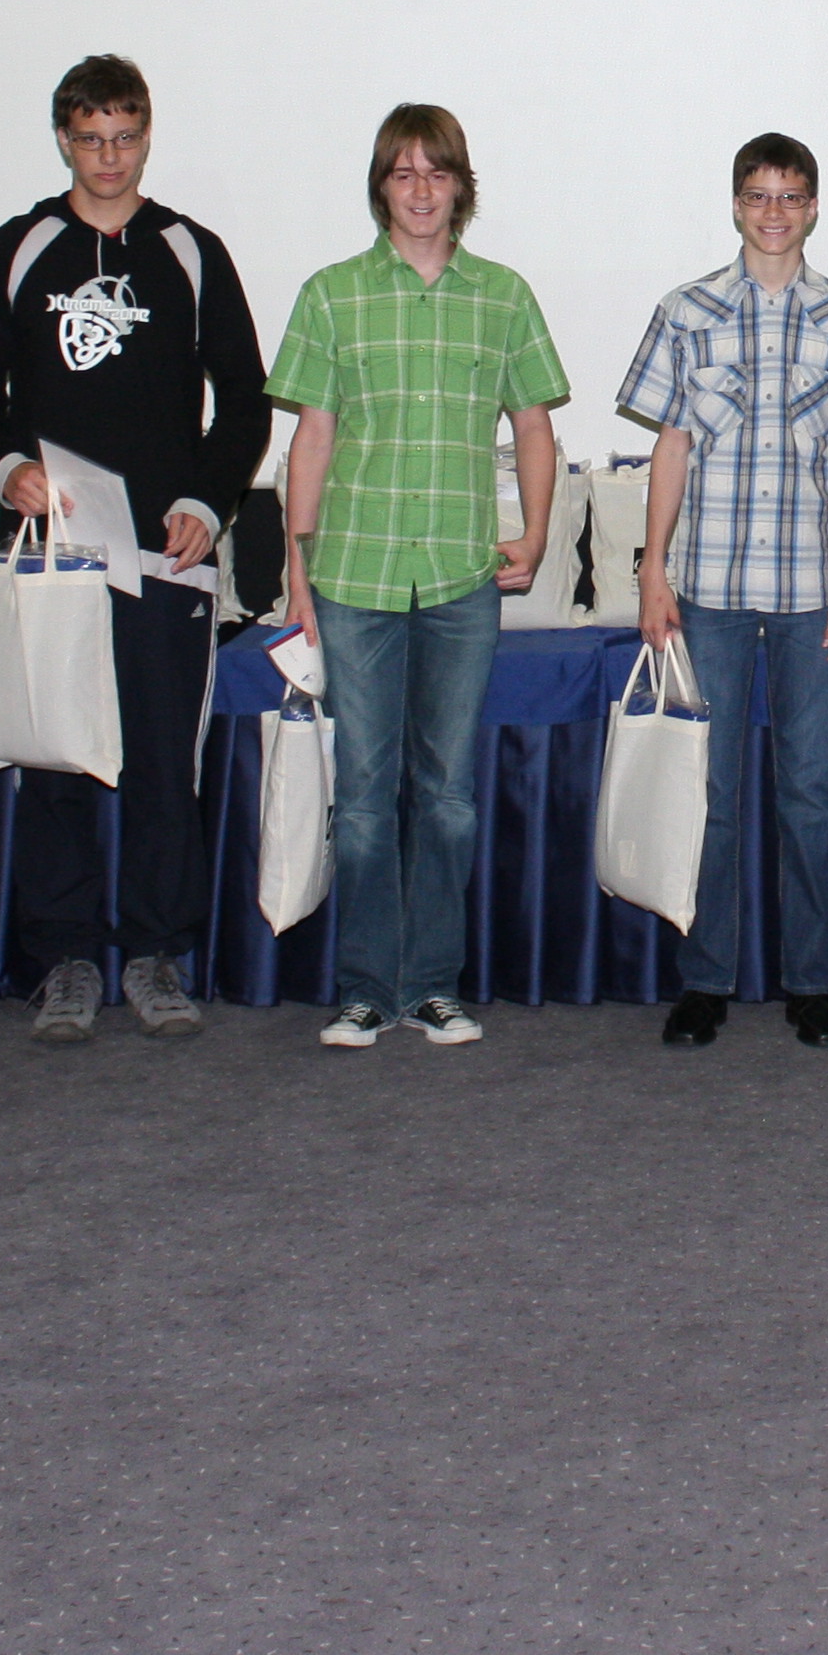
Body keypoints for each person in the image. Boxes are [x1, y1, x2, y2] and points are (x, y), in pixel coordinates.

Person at [0, 54, 272, 1043]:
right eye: (91, 139)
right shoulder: (18, 248)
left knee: (165, 765)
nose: (109, 157)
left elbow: (245, 399)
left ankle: (158, 955)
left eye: (125, 138)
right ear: (64, 140)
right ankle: (66, 960)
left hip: (165, 557)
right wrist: (8, 469)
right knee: (57, 761)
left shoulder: (189, 251)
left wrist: (207, 502)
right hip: (52, 555)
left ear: (146, 136)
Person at [268, 104, 570, 1048]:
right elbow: (311, 439)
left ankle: (434, 985)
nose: (421, 190)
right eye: (403, 174)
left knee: (446, 796)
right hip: (352, 576)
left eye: (437, 172)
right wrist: (298, 572)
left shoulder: (503, 295)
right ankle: (365, 989)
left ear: (461, 187)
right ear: (381, 188)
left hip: (457, 577)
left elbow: (533, 425)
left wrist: (535, 534)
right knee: (363, 799)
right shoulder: (331, 294)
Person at [616, 133, 828, 1050]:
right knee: (707, 788)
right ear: (736, 204)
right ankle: (705, 979)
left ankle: (811, 984)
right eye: (757, 195)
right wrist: (652, 570)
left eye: (790, 196)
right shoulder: (686, 310)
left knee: (810, 792)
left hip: (812, 584)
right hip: (705, 584)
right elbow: (670, 446)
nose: (773, 212)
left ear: (813, 207)